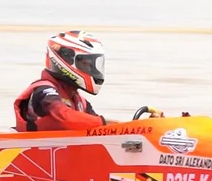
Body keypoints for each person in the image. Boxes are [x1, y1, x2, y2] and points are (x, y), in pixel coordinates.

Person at [13, 30, 161, 132]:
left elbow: (99, 129)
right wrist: (110, 123)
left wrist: (140, 128)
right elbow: (64, 117)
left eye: (93, 63)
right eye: (86, 63)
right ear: (66, 60)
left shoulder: (80, 102)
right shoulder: (44, 91)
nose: (91, 68)